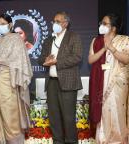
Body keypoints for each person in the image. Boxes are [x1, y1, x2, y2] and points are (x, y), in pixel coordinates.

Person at [88, 13, 129, 144]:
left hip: (117, 84)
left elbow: (126, 60)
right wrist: (104, 48)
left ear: (113, 28)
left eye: (104, 23)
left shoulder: (124, 41)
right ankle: (103, 140)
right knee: (102, 113)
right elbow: (91, 59)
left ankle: (118, 141)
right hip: (100, 82)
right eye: (101, 23)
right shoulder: (96, 41)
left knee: (116, 111)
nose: (101, 26)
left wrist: (112, 49)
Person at [0, 13, 33, 144]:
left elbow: (18, 62)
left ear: (10, 25)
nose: (0, 27)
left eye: (3, 24)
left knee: (10, 116)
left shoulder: (16, 39)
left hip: (10, 83)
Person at [38, 11, 82, 144]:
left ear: (65, 23)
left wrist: (57, 61)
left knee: (68, 118)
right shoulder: (49, 39)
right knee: (54, 117)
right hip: (51, 83)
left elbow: (77, 57)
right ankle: (58, 141)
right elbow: (41, 59)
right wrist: (45, 60)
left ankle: (71, 142)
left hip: (68, 83)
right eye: (54, 21)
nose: (54, 24)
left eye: (57, 21)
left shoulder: (73, 37)